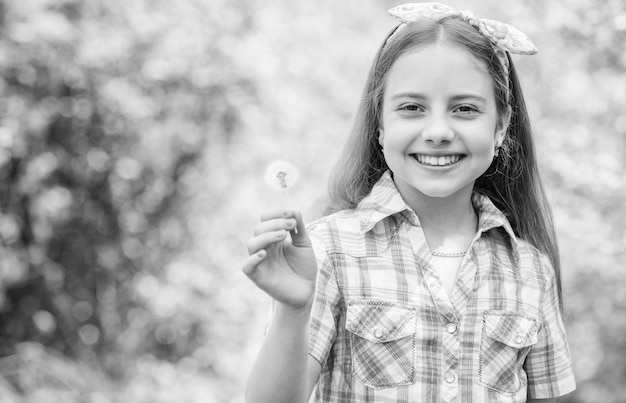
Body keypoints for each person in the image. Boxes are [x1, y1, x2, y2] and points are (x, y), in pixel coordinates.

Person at [242, 3, 576, 402]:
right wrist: (294, 310)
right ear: (381, 126)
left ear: (501, 125)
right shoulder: (328, 251)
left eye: (465, 109)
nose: (437, 131)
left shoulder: (530, 270)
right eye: (412, 108)